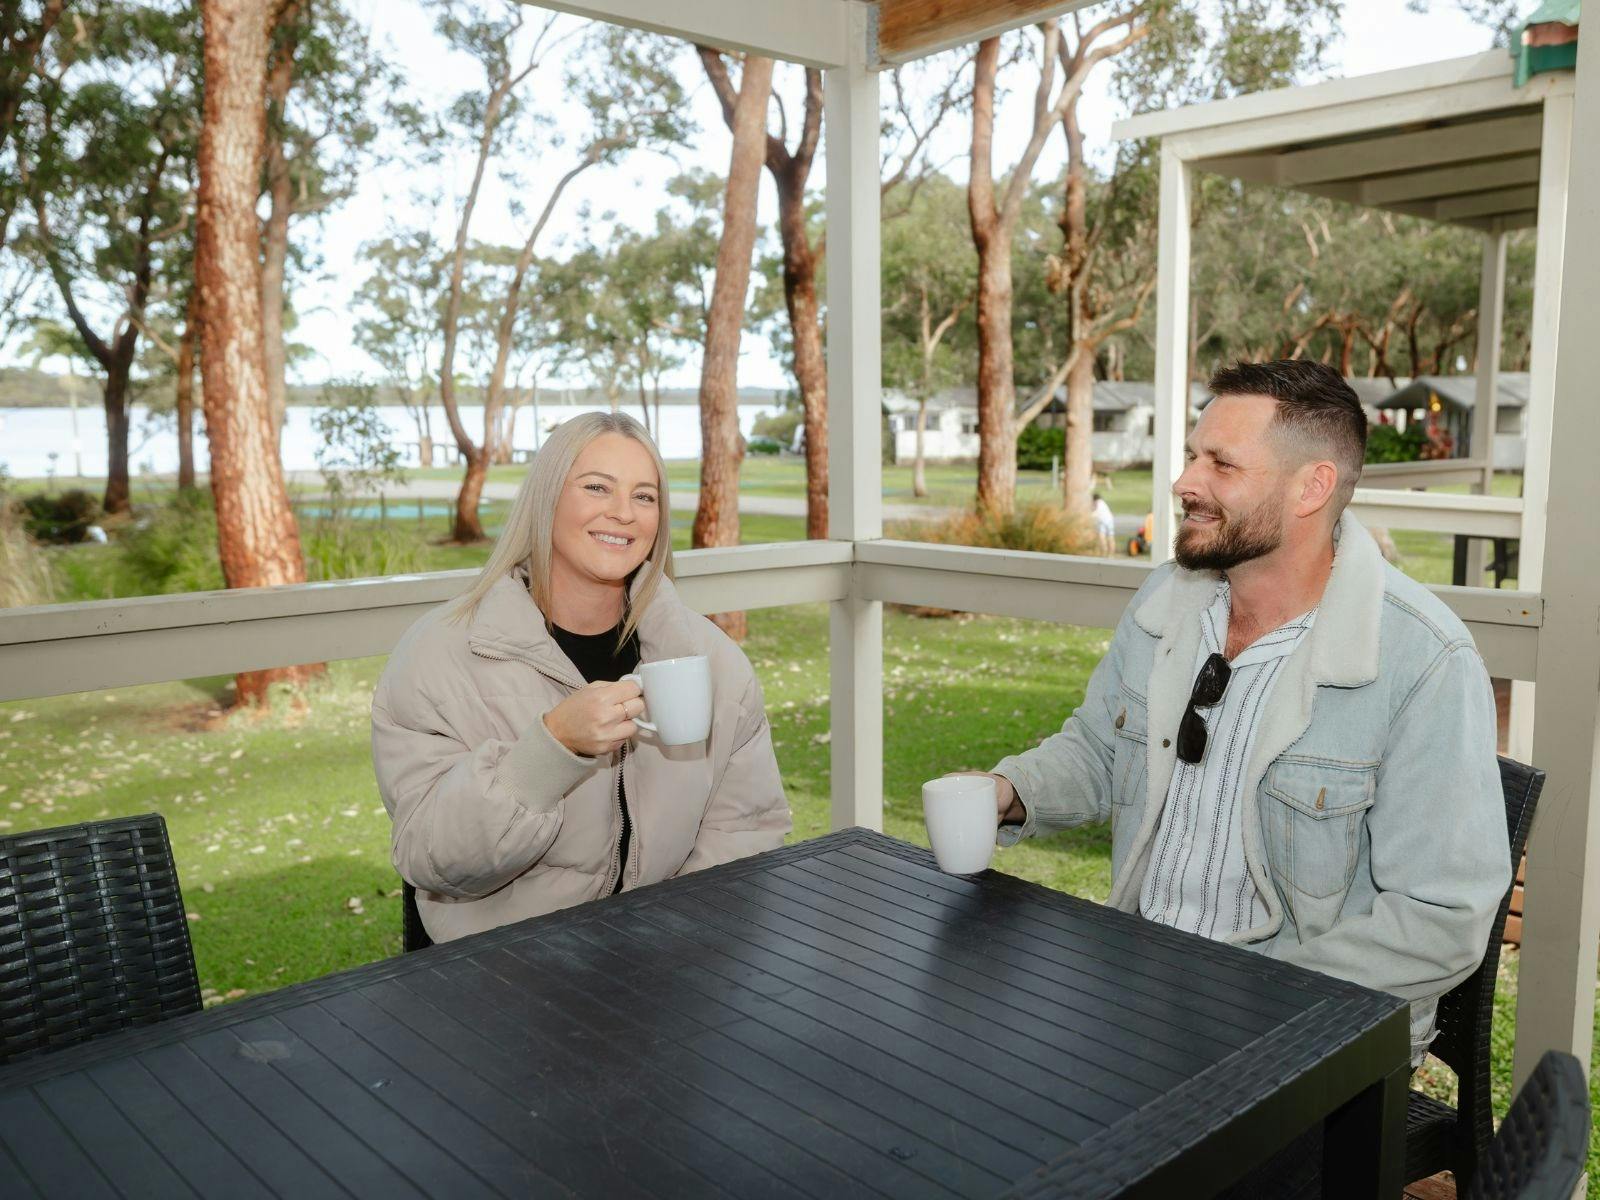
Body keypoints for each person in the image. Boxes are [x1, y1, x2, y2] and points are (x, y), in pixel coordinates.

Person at [964, 359, 1508, 1068]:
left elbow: (1442, 918)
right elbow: (1100, 749)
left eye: (1220, 464)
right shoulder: (1168, 603)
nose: (1185, 482)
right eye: (1193, 456)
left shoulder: (1423, 659)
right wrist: (1008, 794)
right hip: (1142, 994)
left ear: (1311, 487)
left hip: (1309, 1041)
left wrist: (1251, 997)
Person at [372, 412, 790, 941]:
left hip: (670, 960)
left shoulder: (713, 659)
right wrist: (548, 752)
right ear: (546, 500)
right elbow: (434, 860)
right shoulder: (440, 656)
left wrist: (671, 940)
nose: (623, 514)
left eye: (644, 496)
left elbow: (746, 830)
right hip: (503, 972)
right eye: (597, 487)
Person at [1091, 491, 1116, 557]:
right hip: (1106, 522)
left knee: (1106, 537)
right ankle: (1108, 553)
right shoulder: (1102, 503)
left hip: (1106, 522)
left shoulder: (1099, 504)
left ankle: (1107, 553)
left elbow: (1095, 514)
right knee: (1106, 537)